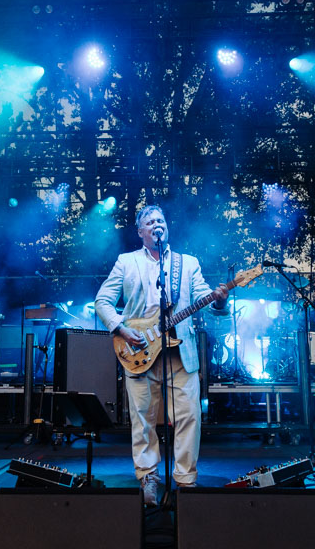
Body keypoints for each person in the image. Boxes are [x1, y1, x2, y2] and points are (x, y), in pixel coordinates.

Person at [95, 205, 229, 505]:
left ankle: (185, 479)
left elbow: (202, 298)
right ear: (141, 232)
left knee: (189, 416)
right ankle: (148, 476)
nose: (158, 225)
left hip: (181, 353)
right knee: (142, 418)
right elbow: (102, 301)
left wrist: (219, 301)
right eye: (150, 222)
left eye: (161, 220)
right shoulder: (126, 262)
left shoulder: (188, 263)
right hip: (138, 349)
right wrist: (120, 328)